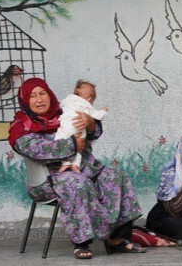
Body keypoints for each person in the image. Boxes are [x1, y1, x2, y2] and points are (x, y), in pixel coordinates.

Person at [8, 78, 144, 260]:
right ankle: (81, 242)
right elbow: (35, 150)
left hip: (85, 169)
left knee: (116, 177)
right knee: (76, 183)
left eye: (42, 94)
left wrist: (91, 123)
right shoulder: (22, 126)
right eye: (33, 96)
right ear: (25, 100)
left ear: (50, 95)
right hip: (49, 179)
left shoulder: (63, 113)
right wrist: (72, 144)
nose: (39, 99)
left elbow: (92, 133)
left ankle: (118, 238)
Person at [56, 80, 108, 173]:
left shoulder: (68, 99)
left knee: (60, 140)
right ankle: (75, 164)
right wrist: (104, 111)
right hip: (77, 127)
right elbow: (98, 115)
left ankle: (66, 163)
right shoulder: (86, 104)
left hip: (64, 128)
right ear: (90, 99)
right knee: (79, 146)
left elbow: (61, 106)